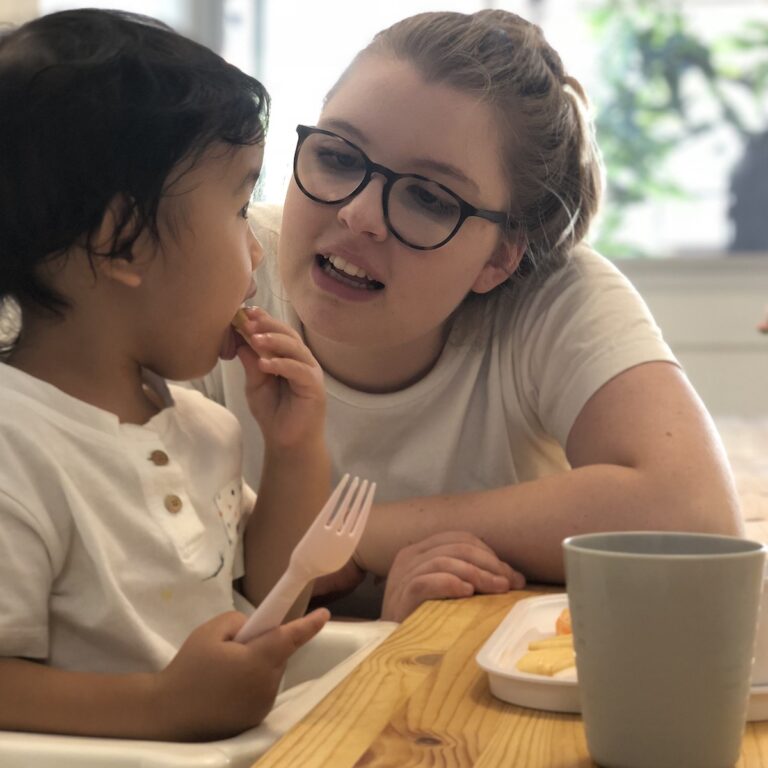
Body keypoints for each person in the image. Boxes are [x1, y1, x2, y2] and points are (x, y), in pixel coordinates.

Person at [194, 9, 743, 621]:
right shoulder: (218, 263)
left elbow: (697, 519)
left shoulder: (552, 296)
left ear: (502, 257)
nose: (359, 214)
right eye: (339, 157)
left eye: (428, 197)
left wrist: (354, 536)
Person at [0, 9, 332, 741]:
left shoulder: (202, 428)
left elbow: (273, 593)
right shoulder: (14, 444)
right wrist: (160, 705)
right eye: (239, 209)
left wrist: (294, 450)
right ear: (123, 242)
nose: (256, 252)